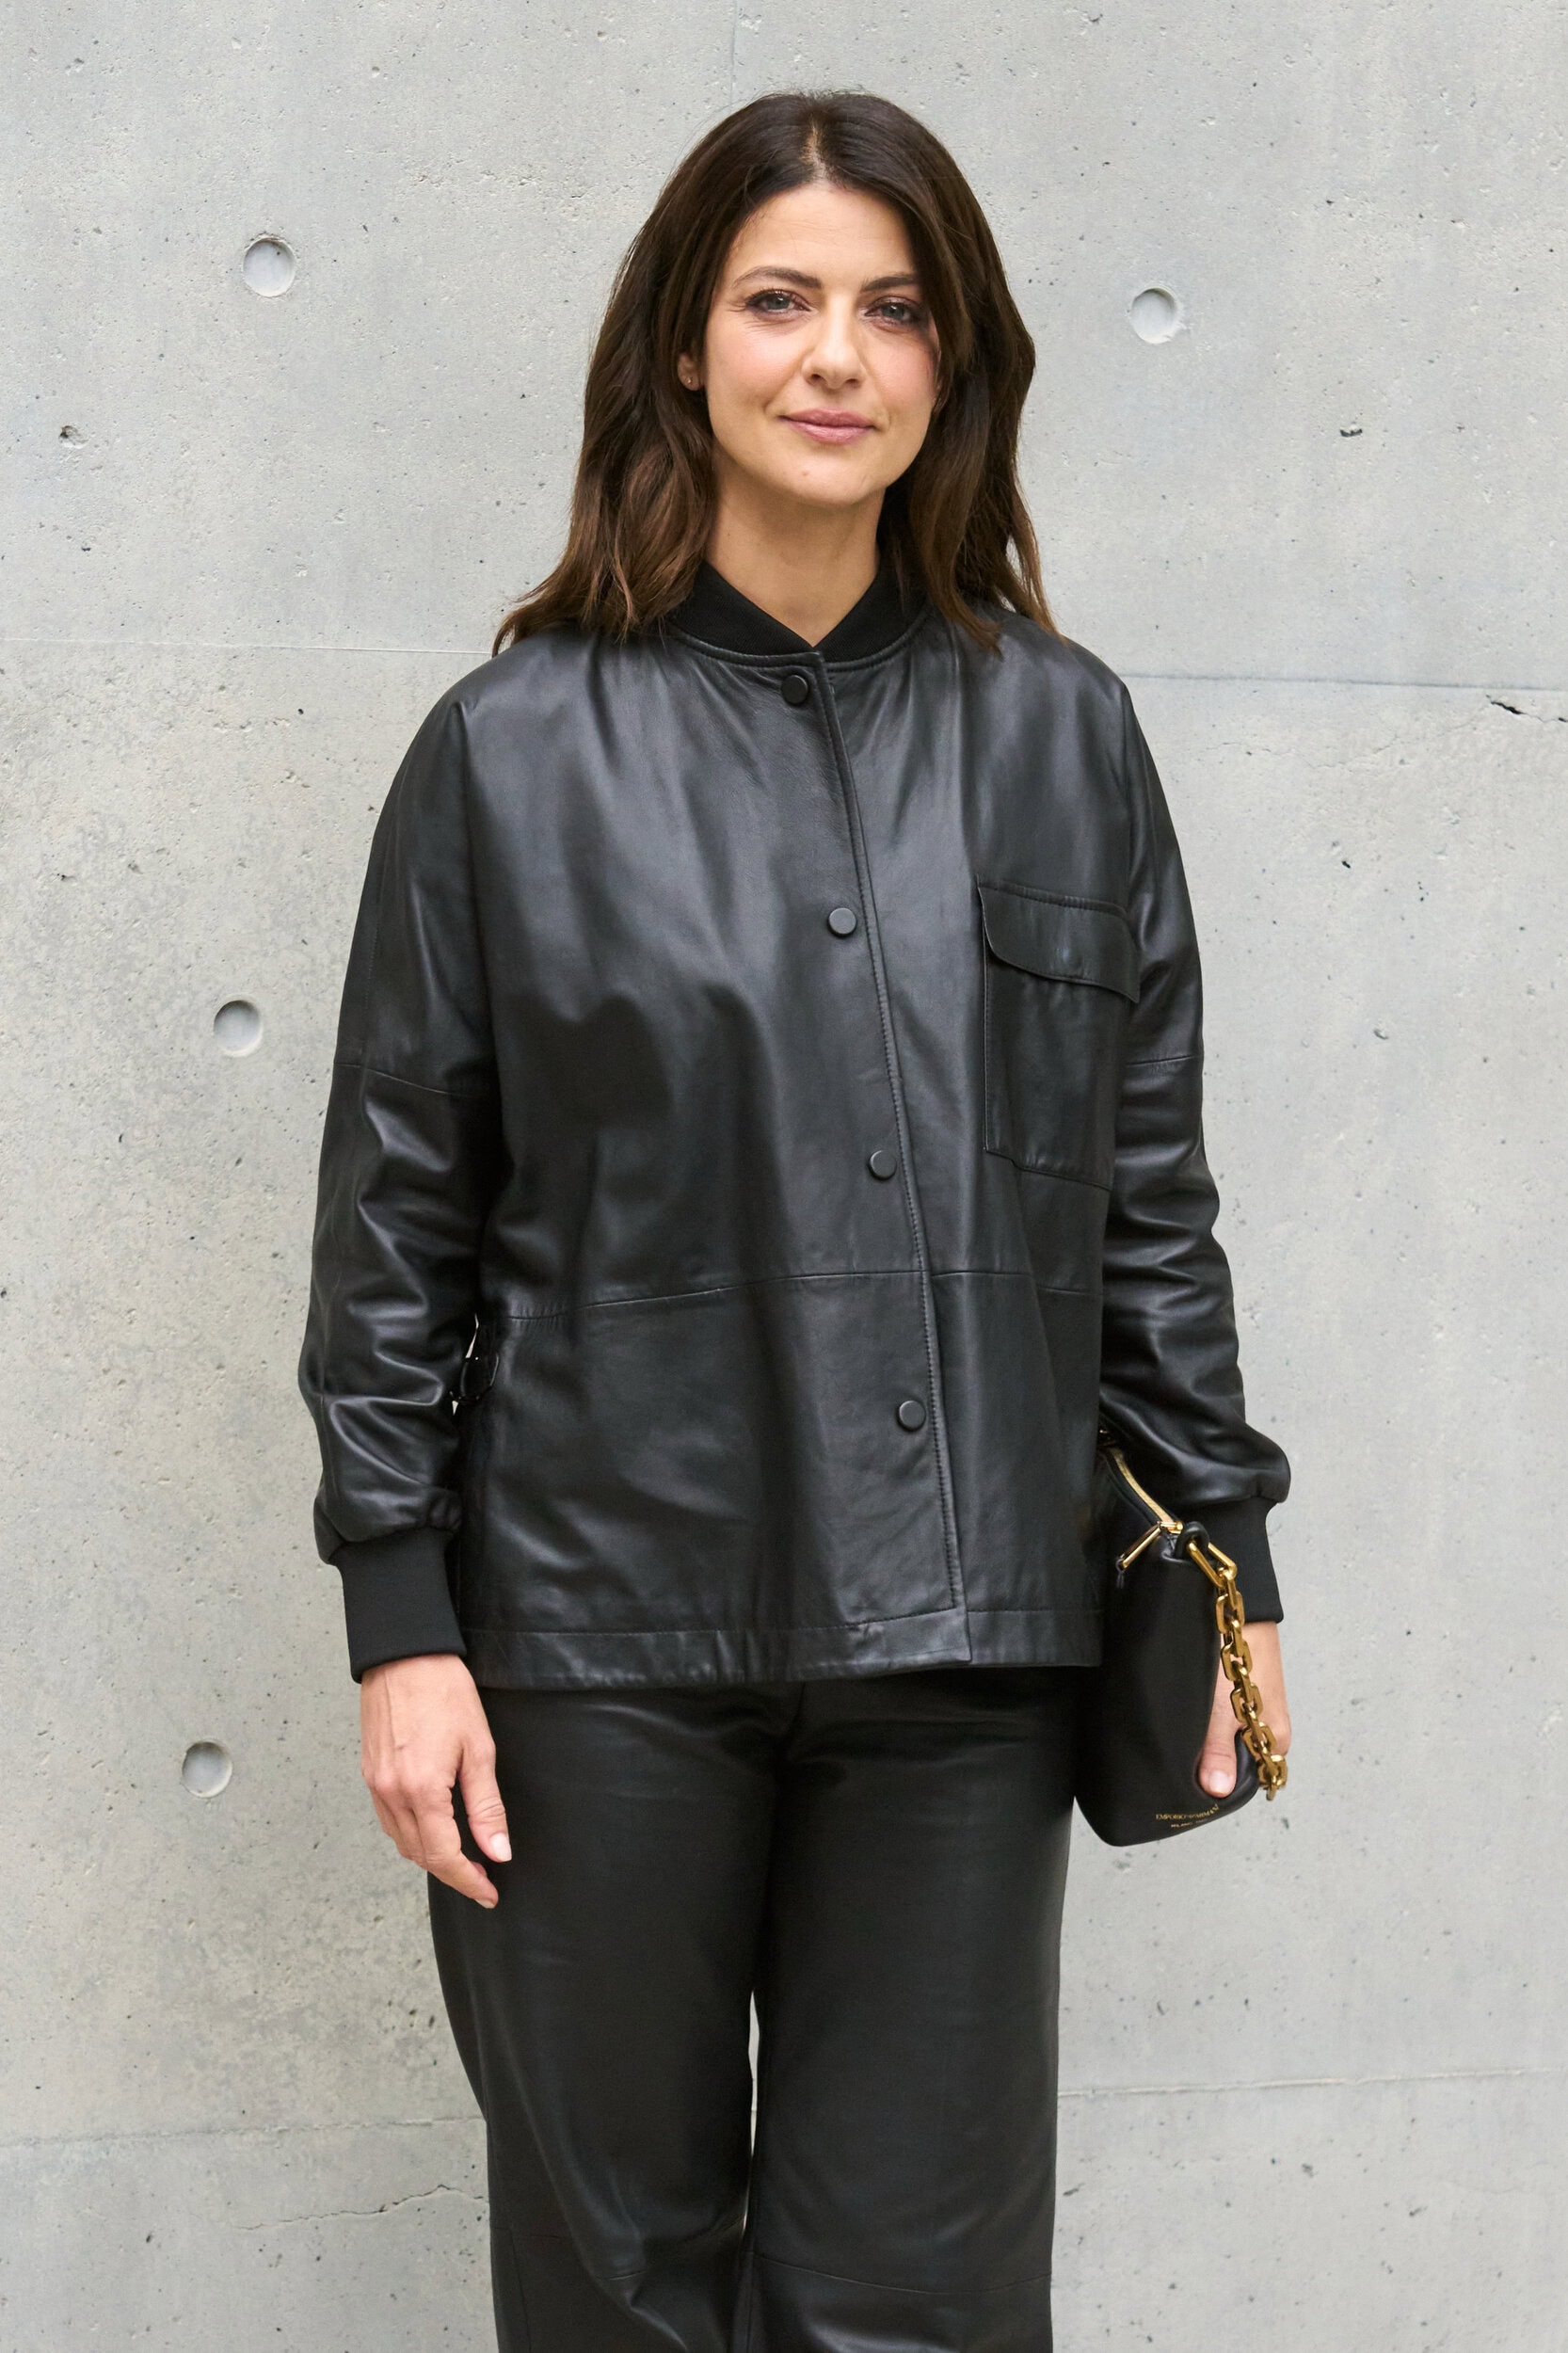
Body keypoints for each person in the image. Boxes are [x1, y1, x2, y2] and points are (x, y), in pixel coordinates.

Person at [299, 88, 1291, 2353]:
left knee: (919, 2309)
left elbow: (1145, 1199)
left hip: (963, 1646)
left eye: (892, 308)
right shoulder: (508, 751)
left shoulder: (1064, 738)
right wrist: (397, 1616)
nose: (834, 355)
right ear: (684, 345)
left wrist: (1228, 1562)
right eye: (777, 300)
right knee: (617, 2296)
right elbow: (396, 1226)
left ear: (955, 362)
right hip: (584, 1646)